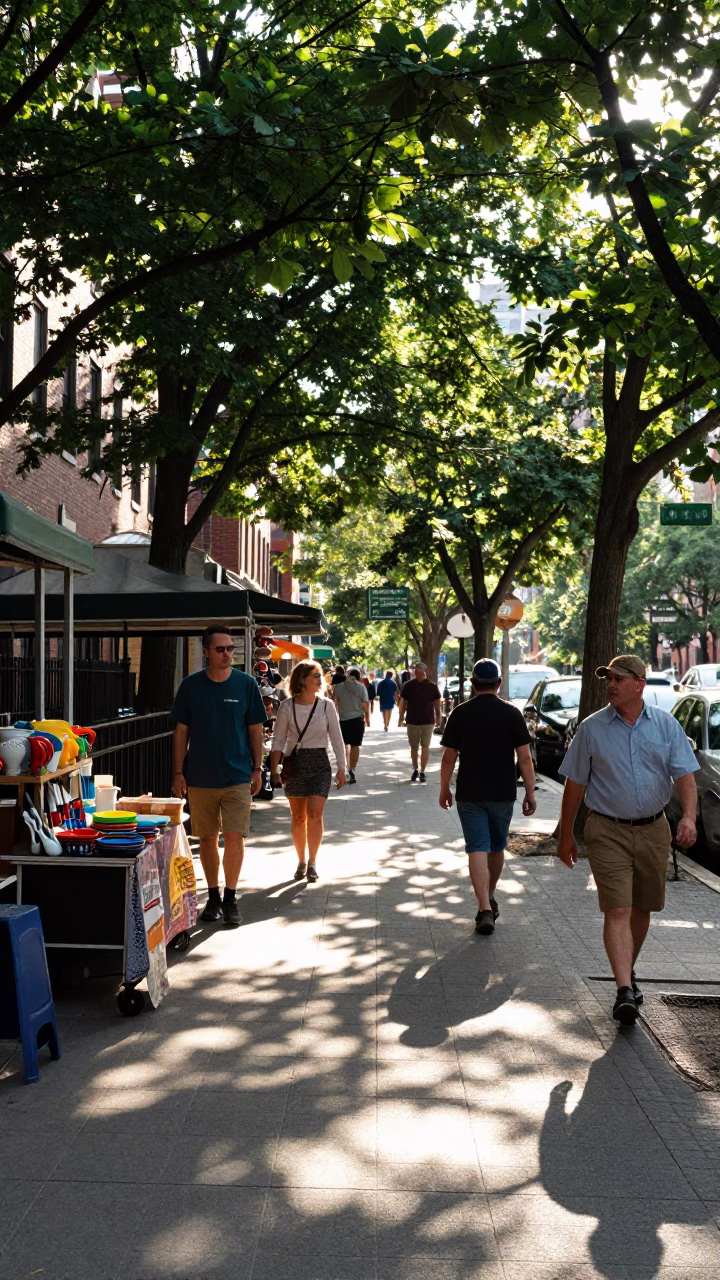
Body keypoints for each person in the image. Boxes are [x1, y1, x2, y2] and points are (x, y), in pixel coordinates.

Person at [558, 654, 699, 1026]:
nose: (611, 684)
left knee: (642, 908)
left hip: (654, 830)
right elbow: (575, 784)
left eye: (619, 678)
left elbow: (685, 775)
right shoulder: (592, 729)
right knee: (617, 909)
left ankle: (627, 971)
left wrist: (688, 816)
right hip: (606, 829)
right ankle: (624, 991)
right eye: (608, 679)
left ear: (639, 683)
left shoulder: (666, 726)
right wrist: (566, 833)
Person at [171, 624, 266, 926]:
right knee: (208, 838)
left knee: (235, 837)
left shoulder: (246, 684)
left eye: (230, 649)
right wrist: (177, 772)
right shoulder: (190, 686)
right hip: (200, 777)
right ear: (206, 652)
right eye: (221, 649)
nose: (227, 654)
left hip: (238, 775)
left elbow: (255, 730)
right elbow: (181, 731)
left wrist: (257, 768)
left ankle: (231, 897)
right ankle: (212, 896)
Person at [439, 659, 537, 934]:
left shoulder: (460, 713)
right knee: (496, 846)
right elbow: (525, 757)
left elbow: (449, 758)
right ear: (499, 683)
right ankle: (489, 897)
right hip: (503, 792)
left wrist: (444, 787)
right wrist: (530, 791)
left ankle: (484, 906)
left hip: (469, 792)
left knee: (476, 847)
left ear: (472, 683)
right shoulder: (511, 713)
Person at [270, 660, 346, 881]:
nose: (320, 680)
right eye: (316, 675)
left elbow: (337, 738)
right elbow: (278, 740)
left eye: (320, 676)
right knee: (298, 817)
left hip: (320, 763)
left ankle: (313, 862)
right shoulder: (287, 707)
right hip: (295, 762)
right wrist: (274, 770)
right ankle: (301, 861)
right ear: (303, 680)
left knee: (315, 814)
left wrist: (342, 769)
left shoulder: (326, 706)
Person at [399, 662, 441, 782]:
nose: (415, 672)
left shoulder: (432, 686)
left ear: (422, 671)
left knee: (424, 746)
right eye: (415, 670)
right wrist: (401, 717)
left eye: (416, 670)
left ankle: (421, 771)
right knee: (415, 747)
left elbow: (437, 706)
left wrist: (438, 719)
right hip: (413, 721)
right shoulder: (408, 685)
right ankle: (416, 769)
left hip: (427, 721)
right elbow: (403, 704)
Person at [333, 666, 370, 784]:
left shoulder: (338, 687)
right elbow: (366, 703)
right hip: (357, 720)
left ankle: (343, 769)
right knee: (355, 745)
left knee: (343, 746)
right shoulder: (361, 687)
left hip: (343, 720)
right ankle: (352, 770)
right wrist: (368, 718)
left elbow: (335, 703)